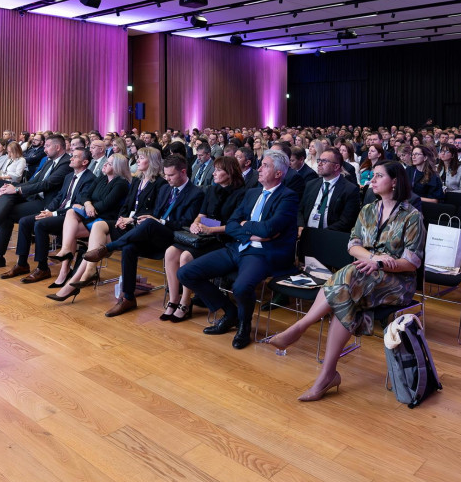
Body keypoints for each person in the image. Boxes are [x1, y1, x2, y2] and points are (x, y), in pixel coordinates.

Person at [266, 160, 425, 401]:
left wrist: (379, 263)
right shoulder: (368, 210)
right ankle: (327, 375)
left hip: (397, 281)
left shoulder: (412, 216)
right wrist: (372, 258)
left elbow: (412, 262)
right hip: (364, 273)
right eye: (373, 175)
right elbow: (353, 245)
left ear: (394, 181)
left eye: (378, 175)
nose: (371, 179)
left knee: (347, 276)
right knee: (346, 291)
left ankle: (303, 326)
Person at [177, 149, 298, 350]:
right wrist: (250, 230)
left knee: (241, 287)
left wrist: (245, 227)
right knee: (186, 273)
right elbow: (232, 224)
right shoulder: (252, 193)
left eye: (265, 165)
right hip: (237, 247)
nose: (259, 169)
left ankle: (244, 324)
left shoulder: (288, 197)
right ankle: (230, 312)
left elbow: (269, 229)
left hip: (262, 253)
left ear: (278, 174)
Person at [83, 155, 204, 317]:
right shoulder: (165, 189)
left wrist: (158, 221)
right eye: (165, 175)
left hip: (175, 238)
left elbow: (186, 223)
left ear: (183, 172)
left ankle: (108, 247)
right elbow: (154, 213)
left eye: (171, 175)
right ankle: (128, 298)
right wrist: (141, 219)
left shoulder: (196, 193)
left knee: (149, 223)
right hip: (154, 234)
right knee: (129, 247)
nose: (167, 178)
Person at [49, 147, 166, 301]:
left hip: (141, 227)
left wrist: (131, 219)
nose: (137, 160)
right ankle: (88, 272)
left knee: (96, 242)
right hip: (124, 223)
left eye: (141, 158)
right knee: (97, 230)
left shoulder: (160, 183)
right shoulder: (137, 180)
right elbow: (127, 206)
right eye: (137, 157)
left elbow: (156, 212)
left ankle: (70, 286)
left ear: (152, 162)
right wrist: (121, 218)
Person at [0, 135, 73, 269]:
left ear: (57, 147)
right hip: (35, 197)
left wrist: (17, 190)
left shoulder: (66, 162)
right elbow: (34, 181)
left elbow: (47, 184)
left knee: (6, 213)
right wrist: (13, 188)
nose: (44, 149)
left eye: (47, 146)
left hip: (48, 203)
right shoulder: (50, 161)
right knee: (6, 194)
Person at [160, 156, 246, 322]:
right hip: (205, 235)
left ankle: (186, 302)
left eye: (218, 170)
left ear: (230, 172)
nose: (214, 173)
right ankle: (173, 299)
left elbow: (232, 224)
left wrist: (208, 226)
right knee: (171, 252)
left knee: (185, 256)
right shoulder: (212, 189)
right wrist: (195, 224)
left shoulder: (241, 194)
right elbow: (201, 215)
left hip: (224, 238)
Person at [1, 147, 97, 283]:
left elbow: (77, 205)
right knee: (24, 221)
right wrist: (47, 210)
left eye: (75, 157)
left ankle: (42, 268)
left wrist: (53, 213)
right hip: (57, 212)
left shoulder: (90, 179)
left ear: (85, 162)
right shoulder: (69, 176)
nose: (71, 158)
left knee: (40, 224)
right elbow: (59, 198)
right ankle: (22, 264)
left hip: (72, 218)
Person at [38, 154, 131, 285]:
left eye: (109, 163)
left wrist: (88, 207)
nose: (105, 164)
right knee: (71, 212)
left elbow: (106, 204)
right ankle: (64, 261)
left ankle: (65, 268)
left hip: (105, 220)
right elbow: (84, 195)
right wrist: (87, 204)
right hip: (91, 214)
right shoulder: (101, 178)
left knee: (71, 232)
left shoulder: (121, 183)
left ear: (117, 167)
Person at [297, 146, 360, 234]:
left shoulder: (350, 190)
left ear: (336, 167)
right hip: (306, 233)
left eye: (324, 161)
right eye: (319, 160)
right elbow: (300, 209)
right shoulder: (311, 184)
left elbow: (347, 221)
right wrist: (300, 226)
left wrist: (322, 234)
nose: (319, 164)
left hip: (331, 236)